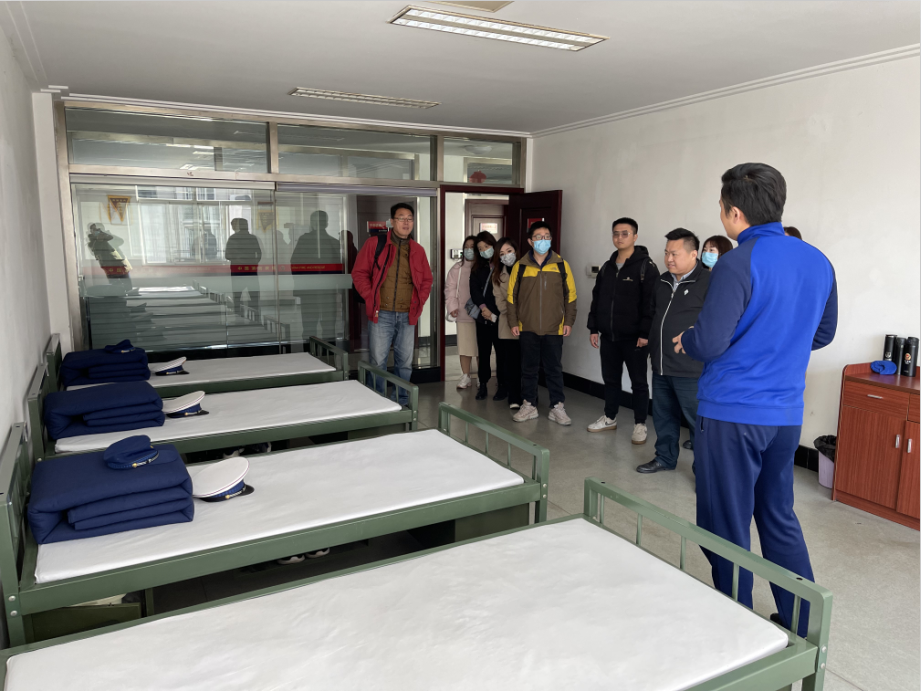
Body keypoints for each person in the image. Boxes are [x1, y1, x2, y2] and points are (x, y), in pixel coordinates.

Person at [674, 162, 837, 636]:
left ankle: (736, 627)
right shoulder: (817, 260)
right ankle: (802, 624)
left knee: (725, 523)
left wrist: (688, 338)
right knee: (777, 514)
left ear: (734, 213)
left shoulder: (737, 262)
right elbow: (823, 333)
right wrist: (778, 343)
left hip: (732, 413)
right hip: (784, 415)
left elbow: (710, 341)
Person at [636, 228, 710, 474]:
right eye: (666, 253)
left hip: (690, 367)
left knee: (698, 422)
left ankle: (705, 471)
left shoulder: (708, 282)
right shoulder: (662, 281)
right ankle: (665, 458)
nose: (668, 258)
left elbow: (715, 323)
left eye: (674, 254)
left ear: (693, 254)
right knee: (663, 416)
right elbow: (654, 314)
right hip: (661, 363)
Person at [585, 217, 658, 445]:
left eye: (625, 233)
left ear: (635, 236)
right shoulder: (607, 267)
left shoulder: (646, 267)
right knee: (611, 380)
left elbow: (651, 304)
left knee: (638, 382)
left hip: (635, 339)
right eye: (616, 233)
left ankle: (640, 424)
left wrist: (644, 333)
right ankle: (610, 417)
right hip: (609, 336)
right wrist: (593, 327)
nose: (619, 237)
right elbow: (597, 299)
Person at [352, 203, 433, 406]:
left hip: (408, 314)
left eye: (410, 219)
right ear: (392, 221)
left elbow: (427, 280)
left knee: (404, 363)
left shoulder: (418, 250)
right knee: (378, 361)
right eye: (401, 218)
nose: (406, 222)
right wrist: (370, 296)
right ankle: (376, 401)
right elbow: (359, 273)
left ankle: (401, 400)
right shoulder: (375, 244)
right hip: (382, 313)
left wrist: (420, 301)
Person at [507, 221, 577, 425]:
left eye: (546, 236)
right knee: (528, 369)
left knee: (554, 369)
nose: (543, 240)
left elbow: (571, 295)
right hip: (527, 326)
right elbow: (511, 297)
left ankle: (557, 407)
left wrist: (569, 321)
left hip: (554, 327)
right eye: (538, 237)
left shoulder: (561, 265)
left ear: (551, 239)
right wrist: (513, 322)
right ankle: (529, 405)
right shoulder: (520, 266)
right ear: (530, 241)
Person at [290, 210, 341, 341]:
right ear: (327, 223)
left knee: (309, 325)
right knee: (329, 326)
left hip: (309, 290)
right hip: (327, 290)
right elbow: (339, 269)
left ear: (312, 223)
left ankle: (310, 350)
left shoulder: (304, 240)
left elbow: (294, 263)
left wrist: (300, 284)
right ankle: (329, 351)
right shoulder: (334, 242)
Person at [469, 232, 501, 401]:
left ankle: (502, 386)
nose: (484, 251)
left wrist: (495, 312)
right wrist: (484, 309)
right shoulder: (477, 268)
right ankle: (483, 384)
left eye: (486, 247)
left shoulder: (503, 266)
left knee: (502, 353)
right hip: (483, 318)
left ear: (493, 245)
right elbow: (474, 290)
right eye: (480, 249)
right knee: (484, 352)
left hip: (500, 318)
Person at [444, 236, 478, 389]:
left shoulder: (485, 267)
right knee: (465, 347)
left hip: (482, 315)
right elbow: (450, 289)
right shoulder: (457, 268)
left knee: (480, 348)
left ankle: (482, 376)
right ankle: (465, 376)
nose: (469, 250)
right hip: (463, 314)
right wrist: (452, 307)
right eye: (467, 247)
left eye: (472, 246)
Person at [493, 237, 522, 409]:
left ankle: (530, 397)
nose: (506, 256)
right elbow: (500, 302)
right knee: (511, 364)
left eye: (509, 251)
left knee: (528, 363)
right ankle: (514, 397)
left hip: (529, 324)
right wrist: (515, 315)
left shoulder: (527, 269)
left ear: (516, 251)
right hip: (508, 325)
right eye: (502, 253)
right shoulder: (498, 275)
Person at [224, 218, 262, 317]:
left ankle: (238, 316)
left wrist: (238, 259)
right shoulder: (253, 238)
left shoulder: (233, 238)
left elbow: (227, 256)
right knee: (254, 296)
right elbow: (259, 254)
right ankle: (256, 316)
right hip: (251, 270)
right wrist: (254, 263)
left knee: (237, 296)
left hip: (237, 270)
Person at [87, 223, 133, 290]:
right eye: (94, 229)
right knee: (115, 286)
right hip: (108, 266)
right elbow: (94, 252)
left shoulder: (109, 237)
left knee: (127, 285)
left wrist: (108, 235)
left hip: (120, 263)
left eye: (99, 229)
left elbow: (121, 241)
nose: (97, 231)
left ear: (103, 229)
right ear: (91, 231)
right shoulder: (92, 243)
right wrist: (99, 241)